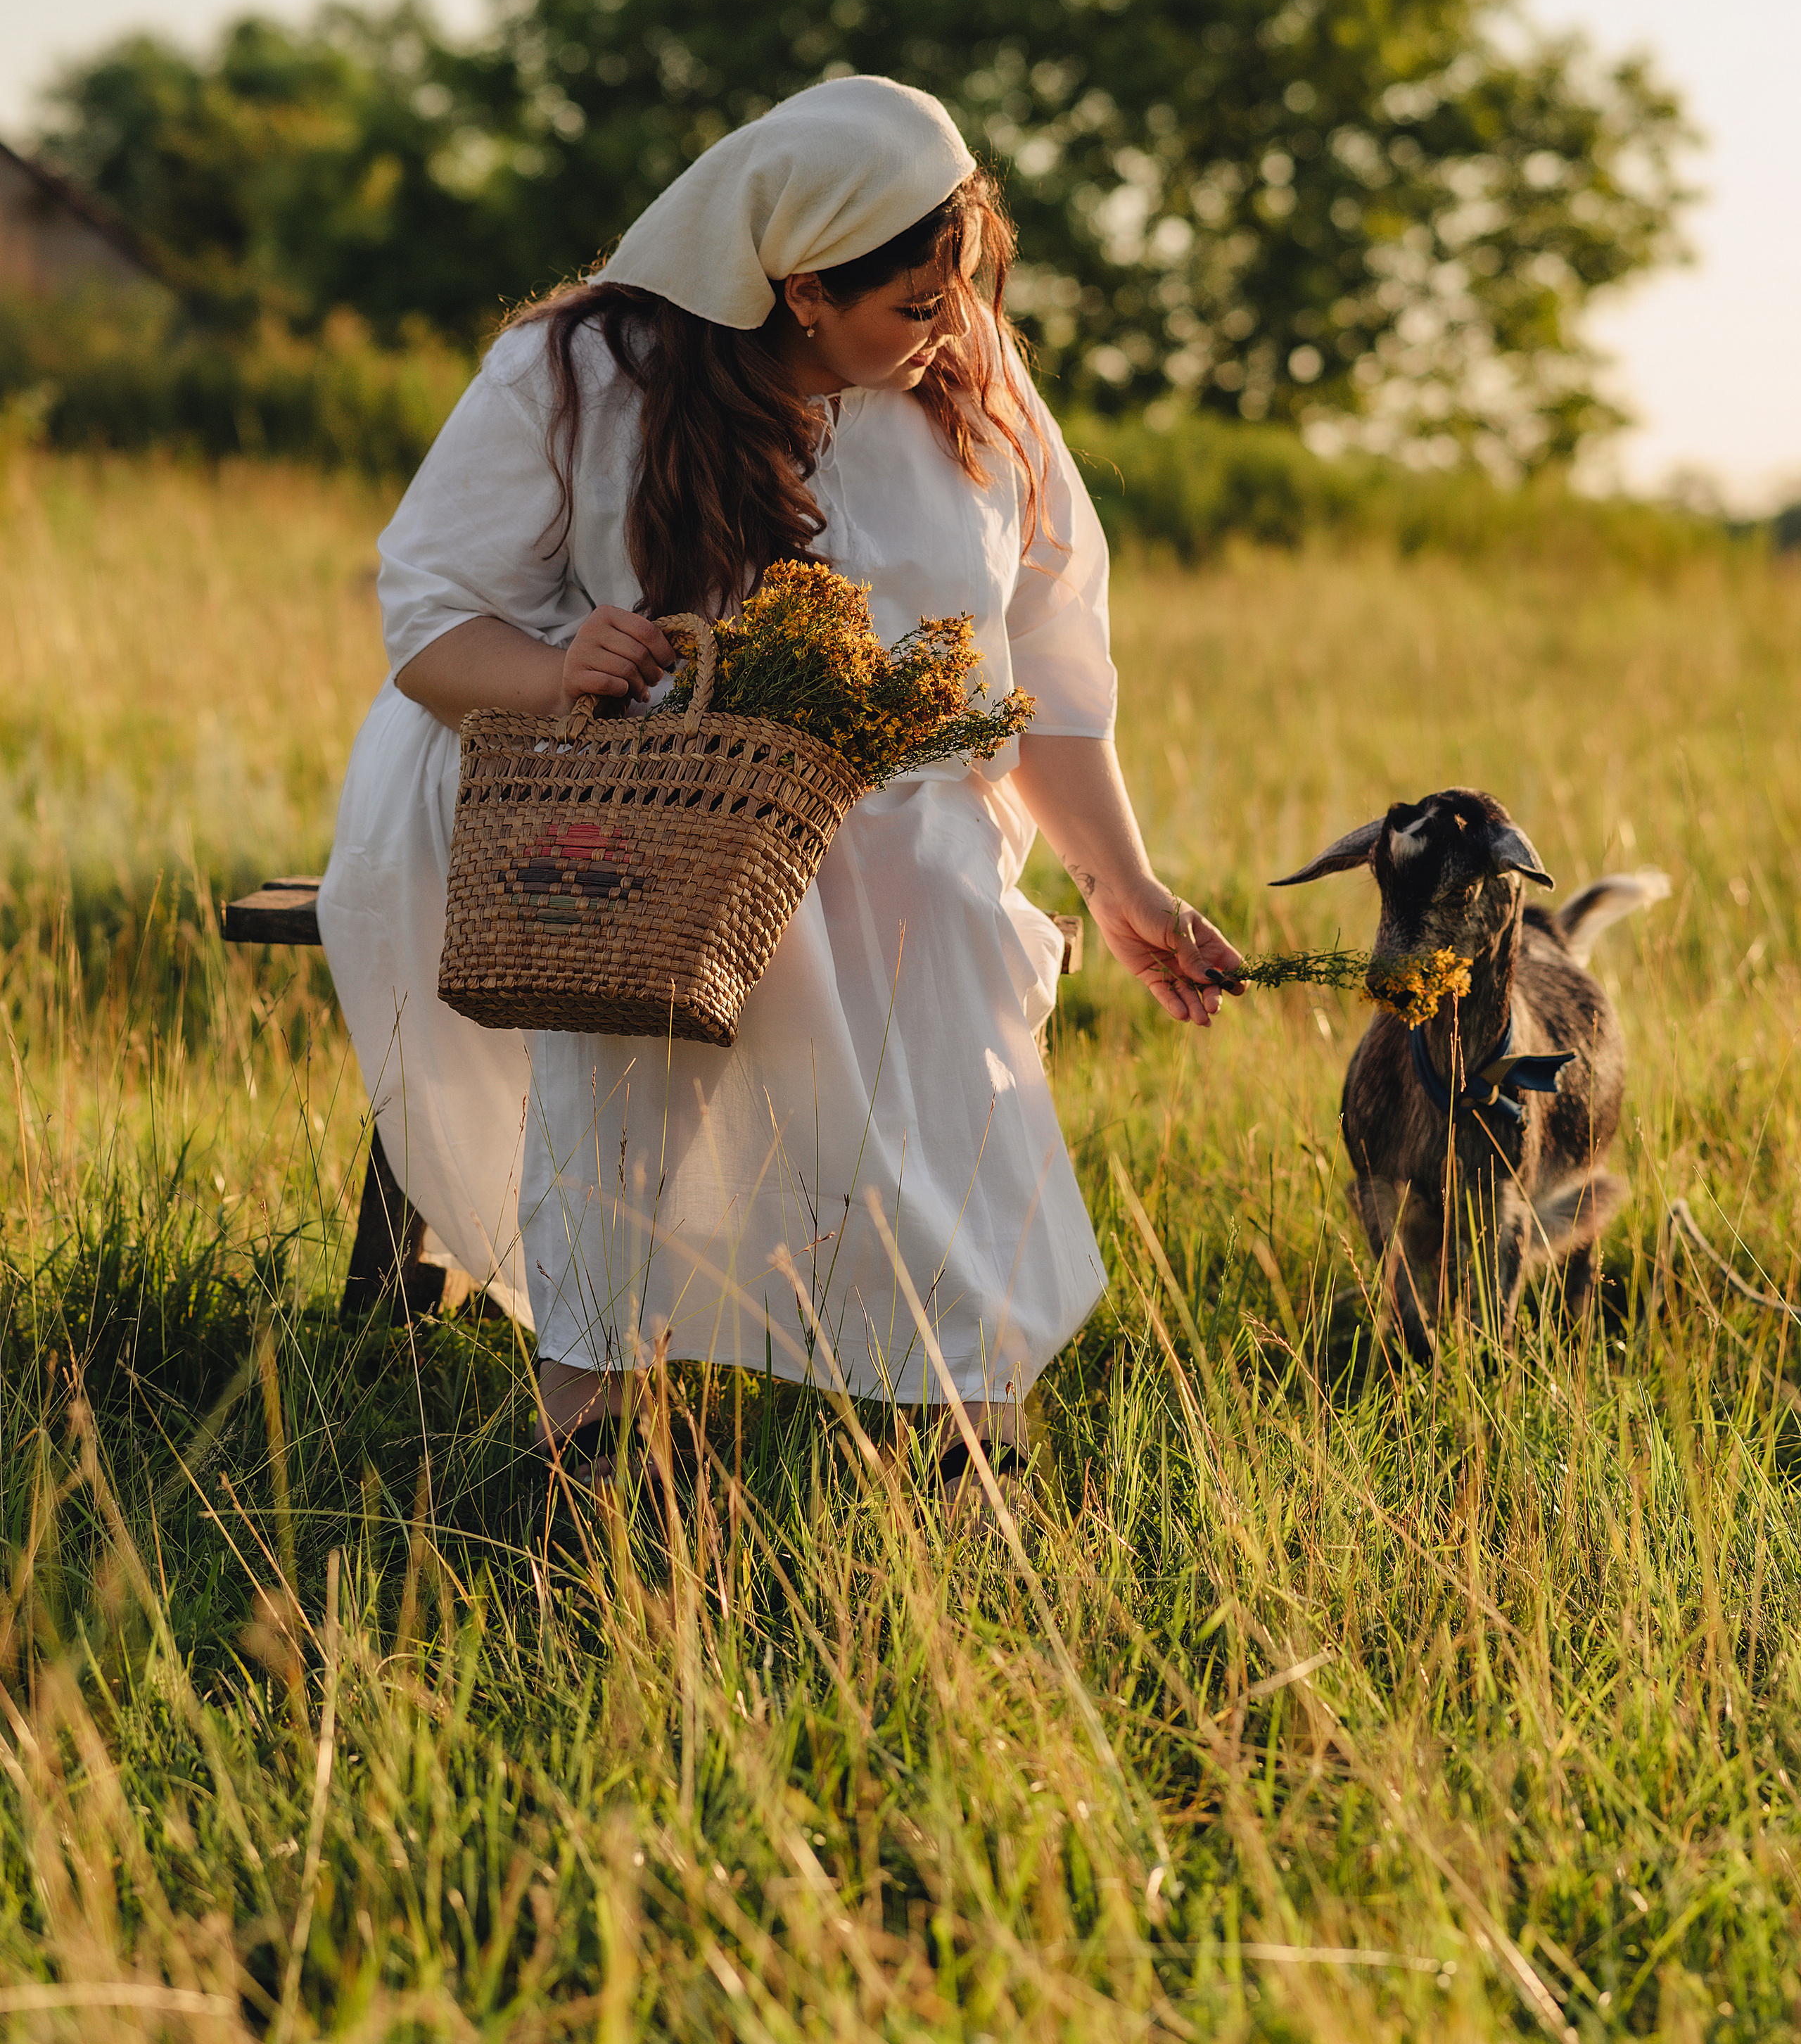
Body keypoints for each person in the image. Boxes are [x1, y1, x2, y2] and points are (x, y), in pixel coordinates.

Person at [317, 75, 1241, 1485]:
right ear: (800, 289)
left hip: (896, 801)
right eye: (909, 308)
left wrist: (1124, 883)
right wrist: (567, 665)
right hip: (623, 786)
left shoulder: (968, 376)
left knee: (932, 899)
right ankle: (600, 1413)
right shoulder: (582, 370)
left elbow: (1049, 652)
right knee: (707, 929)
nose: (944, 333)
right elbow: (431, 625)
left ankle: (963, 1397)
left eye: (957, 295)